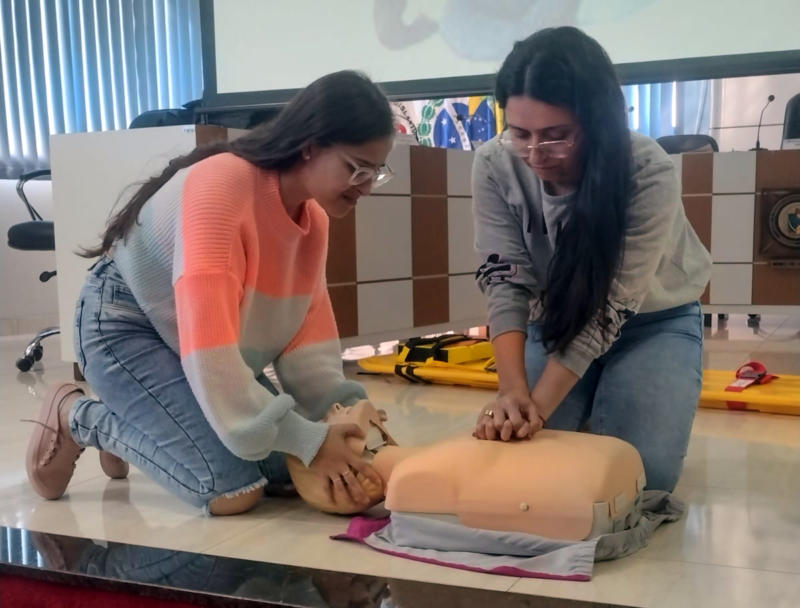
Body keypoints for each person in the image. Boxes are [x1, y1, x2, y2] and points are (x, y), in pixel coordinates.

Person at [25, 70, 394, 515]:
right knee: (228, 488)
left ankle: (146, 418)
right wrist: (310, 440)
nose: (366, 186)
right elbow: (211, 358)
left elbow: (307, 349)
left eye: (376, 171)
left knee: (282, 469)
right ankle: (78, 417)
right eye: (356, 168)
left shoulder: (312, 221)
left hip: (188, 340)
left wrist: (351, 417)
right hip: (123, 326)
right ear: (311, 145)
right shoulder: (222, 188)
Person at [470, 27, 712, 492]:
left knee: (642, 478)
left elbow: (610, 308)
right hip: (553, 320)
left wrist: (537, 412)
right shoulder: (493, 164)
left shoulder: (646, 169)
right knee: (517, 464)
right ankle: (583, 406)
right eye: (520, 134)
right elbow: (504, 279)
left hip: (652, 324)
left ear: (595, 122)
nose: (535, 154)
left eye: (556, 136)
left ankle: (602, 404)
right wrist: (512, 393)